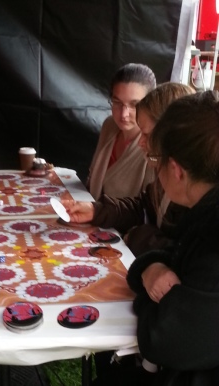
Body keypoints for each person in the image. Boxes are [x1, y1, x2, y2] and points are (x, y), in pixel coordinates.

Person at [127, 90, 219, 386]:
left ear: (176, 170)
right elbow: (171, 256)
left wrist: (149, 298)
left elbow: (163, 339)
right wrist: (151, 268)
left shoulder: (213, 232)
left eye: (156, 158)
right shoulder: (204, 212)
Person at [63, 82, 194, 255]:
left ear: (170, 136)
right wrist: (96, 210)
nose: (141, 142)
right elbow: (142, 207)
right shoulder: (166, 177)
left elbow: (184, 255)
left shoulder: (197, 194)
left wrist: (138, 236)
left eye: (146, 135)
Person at [87, 63, 156, 200]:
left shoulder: (153, 144)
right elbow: (92, 178)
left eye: (134, 105)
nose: (124, 114)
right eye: (117, 103)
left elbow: (147, 208)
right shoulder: (110, 125)